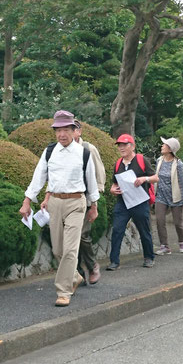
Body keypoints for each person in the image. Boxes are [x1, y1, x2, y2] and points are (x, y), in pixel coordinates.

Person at [19, 110, 99, 307]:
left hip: (76, 203)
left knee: (71, 249)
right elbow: (39, 177)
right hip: (54, 202)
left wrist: (94, 205)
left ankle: (64, 291)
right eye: (58, 130)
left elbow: (91, 181)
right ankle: (74, 277)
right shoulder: (49, 152)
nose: (62, 134)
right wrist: (27, 201)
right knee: (58, 250)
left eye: (66, 130)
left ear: (74, 131)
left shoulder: (84, 153)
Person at [108, 134, 159, 270]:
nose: (122, 148)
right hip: (123, 202)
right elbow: (114, 184)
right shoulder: (118, 163)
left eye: (125, 145)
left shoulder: (141, 160)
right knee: (117, 230)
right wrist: (113, 190)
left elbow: (155, 178)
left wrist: (144, 179)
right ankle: (114, 261)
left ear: (133, 146)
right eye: (120, 145)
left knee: (144, 230)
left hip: (140, 201)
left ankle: (149, 257)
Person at [72, 119, 106, 285]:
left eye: (73, 129)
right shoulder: (61, 150)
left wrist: (95, 202)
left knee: (83, 235)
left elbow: (99, 174)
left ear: (79, 131)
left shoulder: (88, 148)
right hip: (68, 200)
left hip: (86, 199)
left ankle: (92, 266)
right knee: (72, 239)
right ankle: (78, 273)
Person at [154, 137, 183, 255]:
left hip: (175, 196)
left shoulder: (179, 164)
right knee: (159, 220)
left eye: (164, 145)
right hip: (161, 195)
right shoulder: (159, 160)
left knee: (177, 222)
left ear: (170, 149)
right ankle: (164, 246)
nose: (162, 146)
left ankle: (182, 242)